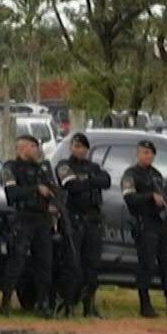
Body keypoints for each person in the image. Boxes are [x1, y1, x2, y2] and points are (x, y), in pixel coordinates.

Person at [121, 139, 167, 318]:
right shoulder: (131, 174)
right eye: (143, 152)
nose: (147, 156)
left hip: (161, 223)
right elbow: (129, 198)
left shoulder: (156, 175)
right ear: (137, 154)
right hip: (144, 223)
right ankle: (145, 305)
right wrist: (149, 197)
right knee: (146, 265)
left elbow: (164, 199)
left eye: (150, 153)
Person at [0, 134, 56, 316]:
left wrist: (53, 202)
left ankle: (42, 302)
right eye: (33, 146)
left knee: (44, 261)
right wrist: (35, 189)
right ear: (21, 148)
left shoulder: (42, 169)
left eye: (36, 146)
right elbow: (12, 193)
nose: (36, 150)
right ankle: (6, 301)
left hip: (42, 219)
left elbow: (54, 189)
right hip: (23, 218)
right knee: (18, 260)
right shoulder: (10, 168)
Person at [55, 132, 111, 317]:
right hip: (74, 221)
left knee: (92, 265)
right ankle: (68, 304)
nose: (79, 150)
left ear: (87, 149)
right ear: (71, 148)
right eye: (76, 146)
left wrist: (86, 180)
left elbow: (106, 181)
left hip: (92, 221)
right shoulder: (64, 165)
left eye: (82, 147)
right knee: (72, 265)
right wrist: (90, 181)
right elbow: (71, 186)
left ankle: (89, 305)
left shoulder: (93, 167)